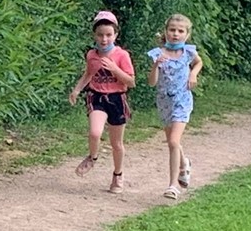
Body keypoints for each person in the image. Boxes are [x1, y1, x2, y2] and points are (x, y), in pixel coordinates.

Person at [69, 10, 136, 194]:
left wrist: (114, 69)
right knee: (94, 132)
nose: (104, 39)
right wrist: (77, 90)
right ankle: (93, 157)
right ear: (94, 35)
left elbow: (131, 82)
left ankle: (118, 174)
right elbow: (88, 74)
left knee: (116, 144)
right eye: (100, 35)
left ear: (115, 35)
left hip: (117, 98)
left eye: (108, 35)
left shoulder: (122, 55)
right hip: (97, 96)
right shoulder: (92, 54)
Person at [147, 13, 204, 201]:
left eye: (180, 31)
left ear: (187, 35)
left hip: (182, 101)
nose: (176, 34)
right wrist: (155, 66)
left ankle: (172, 185)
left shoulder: (188, 52)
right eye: (172, 30)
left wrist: (193, 74)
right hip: (165, 102)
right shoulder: (158, 54)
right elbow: (152, 83)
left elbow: (198, 62)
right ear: (166, 32)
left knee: (173, 141)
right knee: (173, 141)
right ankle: (184, 163)